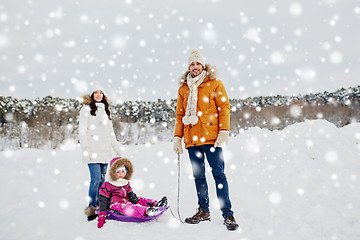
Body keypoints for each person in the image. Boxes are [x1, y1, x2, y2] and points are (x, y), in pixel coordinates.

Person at [173, 49, 239, 231]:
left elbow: (224, 108)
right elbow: (179, 115)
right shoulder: (183, 89)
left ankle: (228, 214)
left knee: (219, 175)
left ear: (203, 66)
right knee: (198, 176)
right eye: (192, 64)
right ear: (188, 67)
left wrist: (224, 131)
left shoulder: (215, 83)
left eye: (198, 64)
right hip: (191, 140)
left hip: (211, 139)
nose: (195, 67)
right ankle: (204, 210)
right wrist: (177, 138)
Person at [79, 85, 122, 221]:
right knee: (95, 180)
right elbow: (82, 132)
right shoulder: (86, 110)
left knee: (103, 181)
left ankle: (100, 206)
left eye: (101, 93)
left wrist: (117, 150)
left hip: (104, 152)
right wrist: (86, 151)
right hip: (92, 151)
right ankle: (92, 208)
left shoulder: (105, 110)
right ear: (91, 94)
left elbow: (110, 133)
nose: (98, 95)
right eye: (96, 92)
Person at [97, 157, 168, 228]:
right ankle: (146, 211)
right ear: (113, 173)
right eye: (118, 172)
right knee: (129, 208)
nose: (121, 174)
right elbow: (103, 200)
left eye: (122, 171)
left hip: (126, 200)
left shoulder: (125, 182)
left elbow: (130, 194)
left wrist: (137, 201)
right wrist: (102, 216)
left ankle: (156, 203)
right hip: (114, 205)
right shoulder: (107, 184)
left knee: (139, 199)